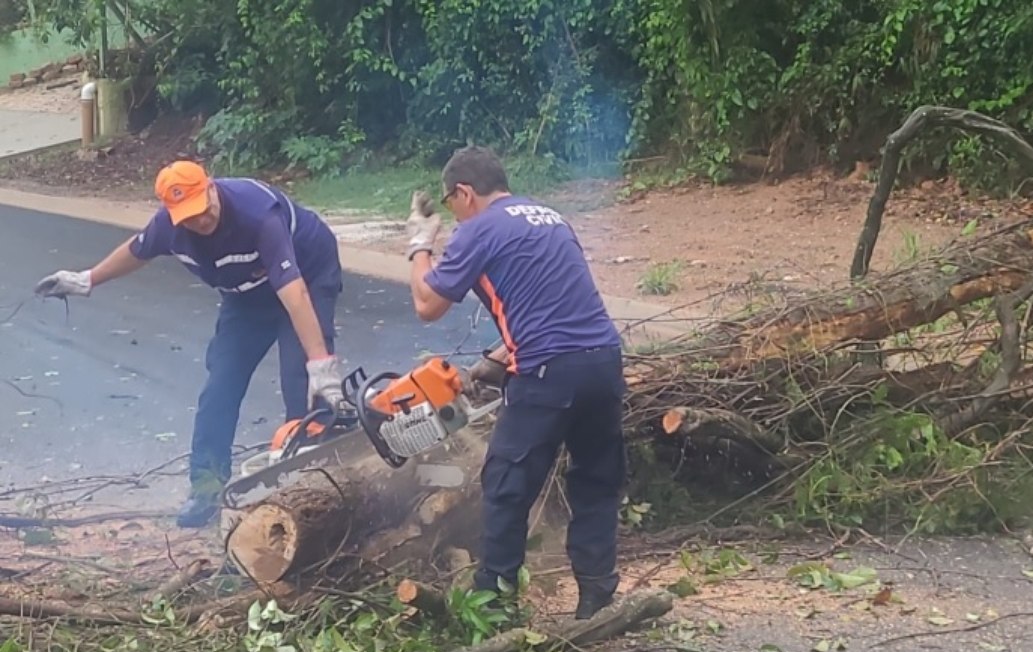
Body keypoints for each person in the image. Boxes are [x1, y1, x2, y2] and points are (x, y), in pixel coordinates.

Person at [34, 160, 346, 528]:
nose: (200, 220)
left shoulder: (258, 215)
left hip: (306, 276)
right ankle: (206, 488)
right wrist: (86, 280)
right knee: (220, 387)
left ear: (211, 187)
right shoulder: (171, 227)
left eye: (202, 208)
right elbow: (137, 250)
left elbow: (294, 295)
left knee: (302, 385)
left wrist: (320, 364)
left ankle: (323, 485)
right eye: (188, 216)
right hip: (245, 296)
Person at [404, 145, 627, 620]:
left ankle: (496, 606)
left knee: (506, 486)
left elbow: (427, 305)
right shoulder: (551, 217)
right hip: (603, 361)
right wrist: (494, 360)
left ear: (464, 192)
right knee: (595, 481)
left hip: (549, 371)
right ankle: (597, 599)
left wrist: (420, 244)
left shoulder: (479, 229)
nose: (453, 215)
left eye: (450, 204)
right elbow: (555, 305)